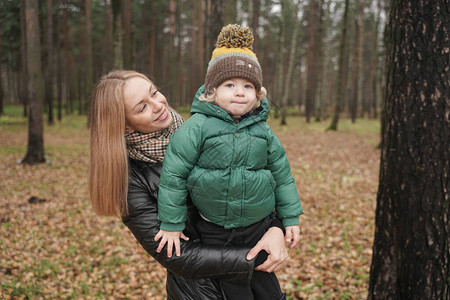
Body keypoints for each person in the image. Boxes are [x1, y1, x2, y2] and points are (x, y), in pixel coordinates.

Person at [89, 69, 290, 299]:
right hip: (201, 292)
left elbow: (256, 185)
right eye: (142, 107)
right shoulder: (130, 181)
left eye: (154, 93)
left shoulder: (201, 131)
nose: (158, 105)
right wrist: (256, 255)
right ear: (124, 126)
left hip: (256, 284)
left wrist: (276, 227)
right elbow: (177, 255)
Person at [156, 24, 303, 299]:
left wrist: (290, 218)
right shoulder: (196, 127)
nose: (240, 92)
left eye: (248, 86)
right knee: (235, 287)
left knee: (268, 286)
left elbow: (282, 175)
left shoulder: (263, 131)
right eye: (230, 85)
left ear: (257, 95)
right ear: (212, 91)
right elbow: (174, 175)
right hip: (215, 229)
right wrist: (171, 223)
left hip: (258, 226)